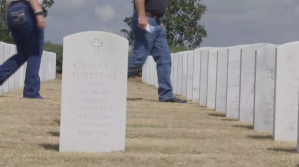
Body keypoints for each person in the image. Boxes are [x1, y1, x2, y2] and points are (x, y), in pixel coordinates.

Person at [128, 0, 187, 103]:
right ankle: (107, 80)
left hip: (156, 24)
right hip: (146, 20)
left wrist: (158, 23)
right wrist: (142, 15)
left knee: (165, 59)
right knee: (139, 58)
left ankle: (166, 95)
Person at [0, 0, 45, 99]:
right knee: (35, 52)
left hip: (11, 11)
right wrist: (39, 12)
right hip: (27, 9)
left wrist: (8, 15)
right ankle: (31, 92)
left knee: (23, 53)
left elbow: (7, 3)